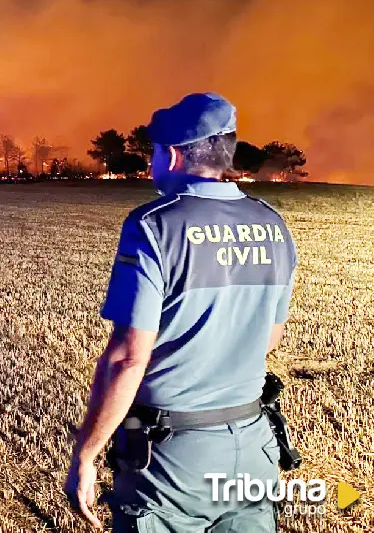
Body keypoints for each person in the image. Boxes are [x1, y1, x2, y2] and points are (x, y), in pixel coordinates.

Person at [64, 93, 297, 531]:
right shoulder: (273, 223)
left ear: (171, 156)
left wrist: (87, 454)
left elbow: (128, 358)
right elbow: (269, 338)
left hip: (173, 465)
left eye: (152, 152)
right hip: (254, 447)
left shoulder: (154, 227)